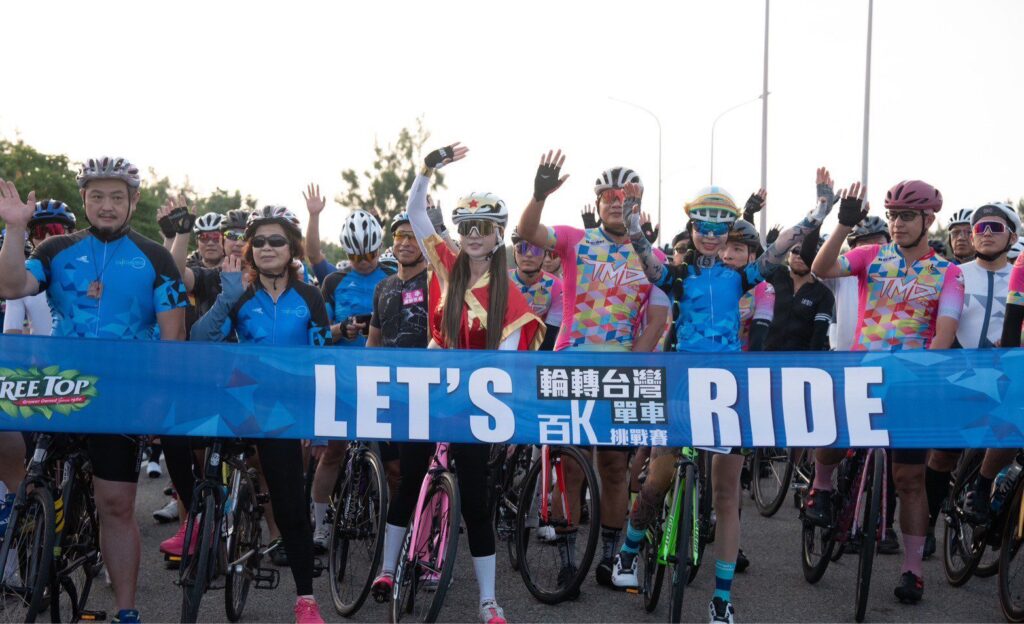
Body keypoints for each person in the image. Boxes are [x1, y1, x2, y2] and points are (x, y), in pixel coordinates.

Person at [614, 176, 830, 624]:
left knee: (728, 495)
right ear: (692, 228)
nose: (711, 236)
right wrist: (634, 225)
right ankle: (629, 548)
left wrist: (819, 212)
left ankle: (722, 598)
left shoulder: (741, 278)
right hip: (682, 385)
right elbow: (648, 262)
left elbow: (782, 245)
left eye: (719, 229)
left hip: (727, 390)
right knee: (659, 477)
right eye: (703, 228)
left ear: (728, 231)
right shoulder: (679, 276)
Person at [0, 158, 187, 624]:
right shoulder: (57, 248)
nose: (107, 205)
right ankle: (41, 533)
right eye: (97, 196)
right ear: (84, 199)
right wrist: (15, 229)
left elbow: (173, 339)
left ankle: (126, 610)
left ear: (133, 201)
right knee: (29, 472)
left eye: (117, 197)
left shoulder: (156, 258)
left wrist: (157, 400)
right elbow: (10, 285)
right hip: (62, 387)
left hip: (121, 395)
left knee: (117, 506)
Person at [373, 142, 542, 624]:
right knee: (408, 480)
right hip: (431, 393)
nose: (473, 236)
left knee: (477, 503)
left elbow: (505, 365)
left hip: (474, 405)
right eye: (467, 227)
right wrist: (427, 168)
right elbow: (415, 214)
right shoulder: (446, 263)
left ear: (498, 235)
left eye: (483, 229)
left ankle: (488, 601)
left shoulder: (512, 298)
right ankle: (386, 569)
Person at [809, 178, 964, 605]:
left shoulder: (948, 273)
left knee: (909, 478)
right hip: (863, 373)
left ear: (928, 220)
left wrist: (923, 374)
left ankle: (913, 570)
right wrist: (843, 224)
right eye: (893, 216)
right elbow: (821, 269)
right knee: (836, 438)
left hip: (912, 381)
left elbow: (945, 333)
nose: (897, 224)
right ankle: (821, 487)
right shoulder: (870, 256)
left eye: (907, 216)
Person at [517, 156, 666, 588]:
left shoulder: (654, 257)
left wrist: (630, 365)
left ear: (639, 203)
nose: (617, 202)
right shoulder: (575, 240)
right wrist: (539, 195)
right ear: (598, 203)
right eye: (609, 196)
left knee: (615, 467)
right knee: (570, 467)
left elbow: (657, 322)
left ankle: (610, 557)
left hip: (621, 369)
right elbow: (528, 231)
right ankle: (568, 559)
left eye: (627, 196)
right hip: (571, 362)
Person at [191, 205, 330, 623]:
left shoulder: (310, 297)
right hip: (240, 401)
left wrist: (319, 427)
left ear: (292, 249)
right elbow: (200, 339)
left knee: (291, 507)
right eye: (260, 241)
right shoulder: (240, 293)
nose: (267, 248)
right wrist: (227, 296)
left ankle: (306, 600)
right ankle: (207, 526)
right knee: (191, 444)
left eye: (277, 241)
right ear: (250, 248)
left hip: (282, 411)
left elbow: (323, 363)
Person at [925, 203, 1020, 534]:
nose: (987, 234)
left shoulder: (1019, 275)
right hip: (958, 372)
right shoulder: (954, 273)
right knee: (942, 457)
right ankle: (928, 524)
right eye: (981, 228)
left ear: (1012, 237)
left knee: (1013, 428)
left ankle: (982, 486)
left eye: (996, 228)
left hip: (1004, 376)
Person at [509, 228, 563, 350]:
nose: (529, 254)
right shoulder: (501, 281)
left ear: (544, 254)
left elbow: (550, 335)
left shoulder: (556, 286)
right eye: (522, 248)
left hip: (539, 348)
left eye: (536, 250)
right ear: (514, 252)